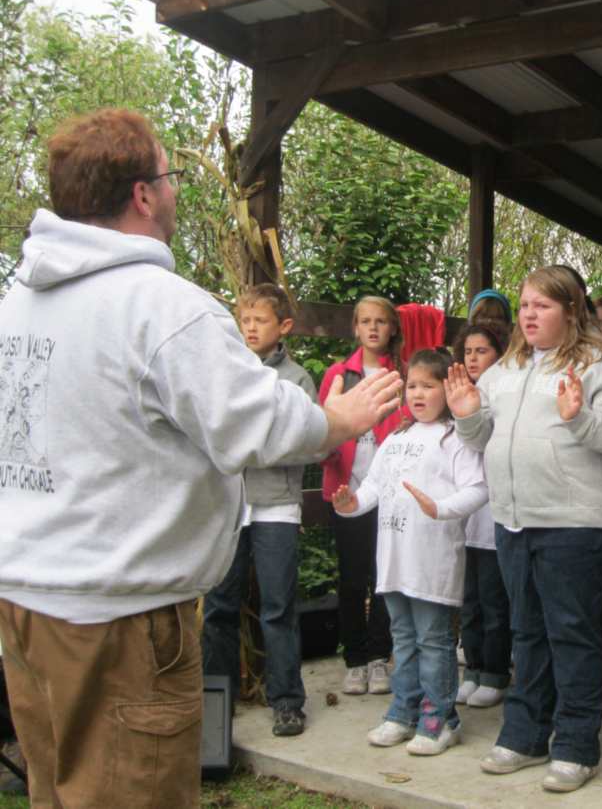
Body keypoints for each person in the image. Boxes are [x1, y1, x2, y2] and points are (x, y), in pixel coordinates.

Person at [0, 109, 401, 808]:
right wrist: (338, 419)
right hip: (118, 619)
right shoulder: (161, 306)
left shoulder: (18, 303)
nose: (176, 189)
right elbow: (252, 420)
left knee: (57, 793)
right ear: (142, 194)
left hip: (26, 607)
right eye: (170, 175)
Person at [448, 266, 602, 793]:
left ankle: (577, 747)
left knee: (571, 635)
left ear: (571, 310)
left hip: (573, 524)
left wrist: (580, 419)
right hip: (512, 520)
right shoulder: (504, 369)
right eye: (525, 305)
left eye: (542, 305)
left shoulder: (599, 366)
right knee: (526, 632)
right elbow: (479, 438)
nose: (529, 315)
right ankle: (525, 736)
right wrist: (466, 415)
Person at [332, 350, 488, 756]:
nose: (418, 394)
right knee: (402, 639)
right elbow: (372, 487)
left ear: (448, 390)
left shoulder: (455, 438)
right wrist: (351, 504)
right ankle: (403, 711)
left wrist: (440, 508)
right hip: (395, 562)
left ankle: (441, 719)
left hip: (432, 562)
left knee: (433, 640)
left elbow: (477, 489)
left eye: (428, 386)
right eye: (413, 386)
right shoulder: (396, 438)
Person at [201, 283, 318, 738]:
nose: (250, 328)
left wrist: (249, 446)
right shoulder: (224, 371)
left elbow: (309, 441)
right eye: (245, 320)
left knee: (278, 608)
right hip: (227, 506)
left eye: (260, 321)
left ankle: (287, 702)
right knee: (219, 607)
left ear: (283, 326)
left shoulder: (297, 380)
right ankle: (216, 708)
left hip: (277, 508)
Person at [320, 296, 406, 696]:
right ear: (355, 328)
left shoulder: (402, 374)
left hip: (390, 494)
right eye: (366, 321)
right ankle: (354, 659)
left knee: (385, 576)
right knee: (353, 578)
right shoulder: (338, 375)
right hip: (347, 491)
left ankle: (378, 656)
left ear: (392, 328)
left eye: (381, 321)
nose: (373, 328)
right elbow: (322, 427)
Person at [452, 321, 513, 708]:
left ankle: (495, 673)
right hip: (465, 522)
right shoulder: (454, 397)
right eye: (468, 352)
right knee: (470, 602)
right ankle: (472, 670)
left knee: (494, 603)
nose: (473, 358)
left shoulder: (503, 396)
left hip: (494, 519)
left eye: (482, 351)